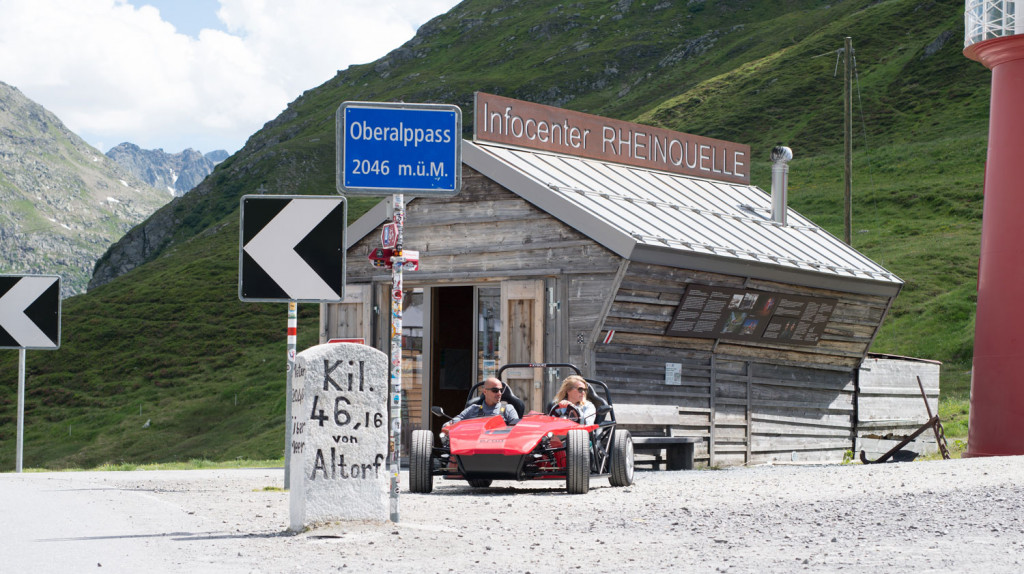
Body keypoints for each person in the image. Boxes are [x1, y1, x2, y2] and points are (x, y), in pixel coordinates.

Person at [441, 377, 519, 435]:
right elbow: (452, 422)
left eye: (501, 390)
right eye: (495, 390)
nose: (499, 393)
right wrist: (448, 425)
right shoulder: (473, 409)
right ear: (485, 391)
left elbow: (517, 429)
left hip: (501, 450)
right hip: (473, 451)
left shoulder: (508, 409)